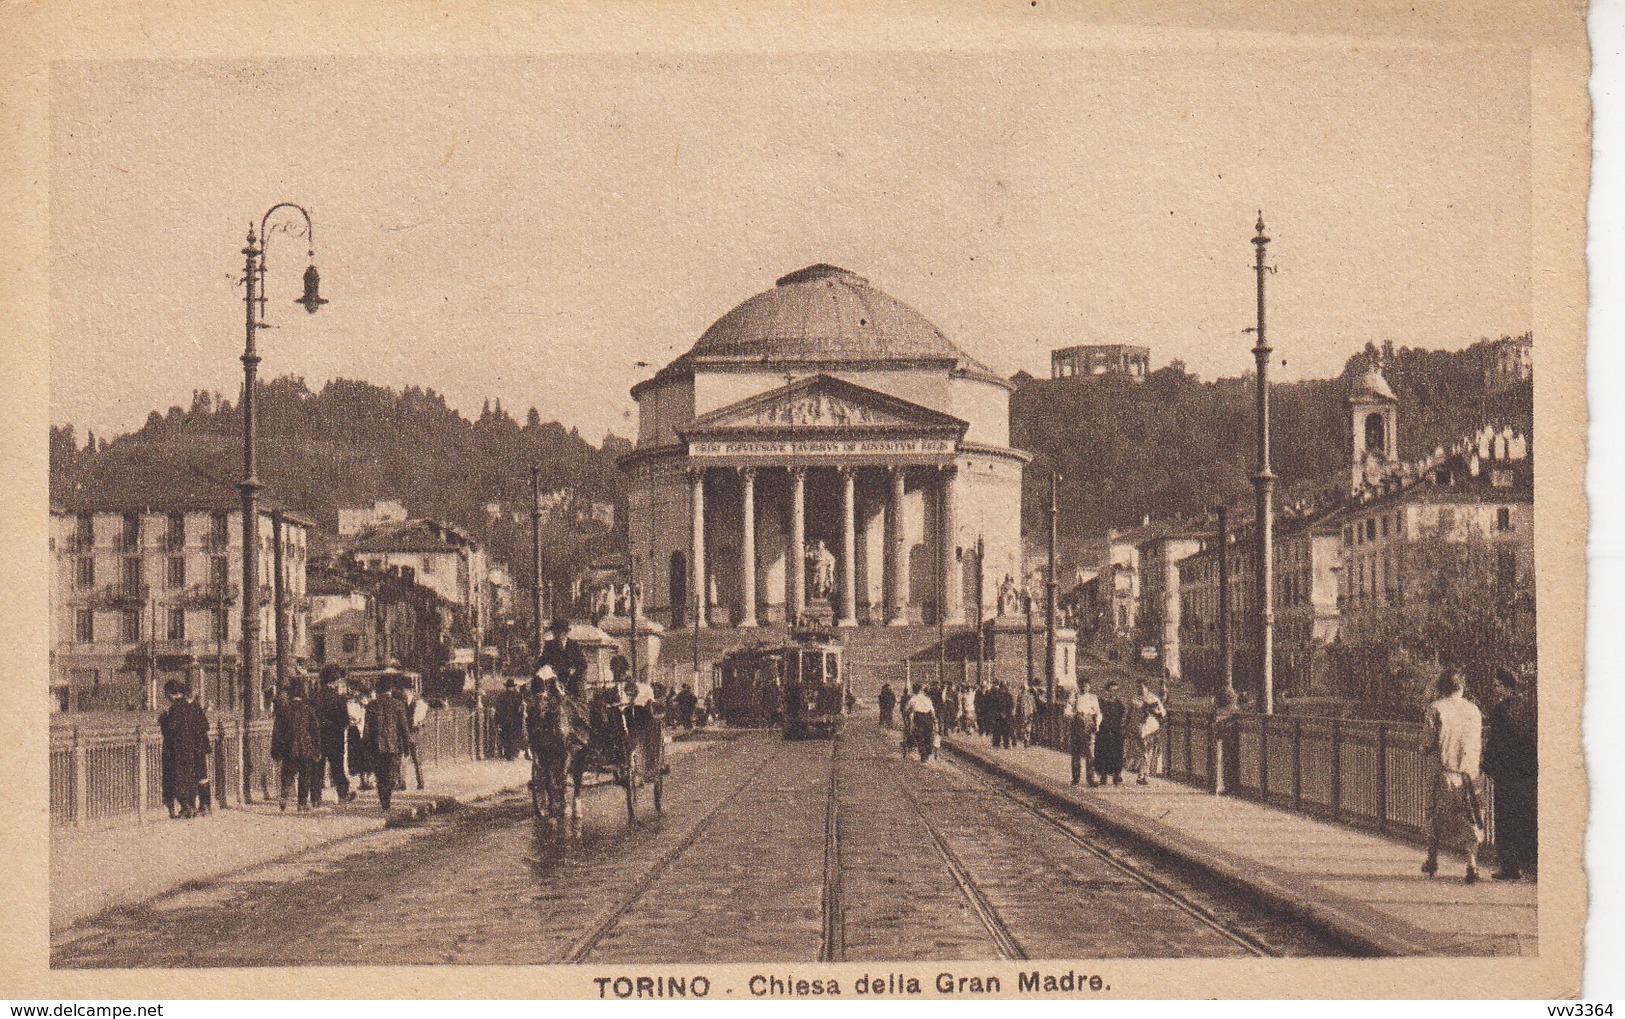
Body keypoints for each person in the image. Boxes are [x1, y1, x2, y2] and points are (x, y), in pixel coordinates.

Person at [1423, 670, 1486, 884]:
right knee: (1470, 816)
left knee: (1436, 815)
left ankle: (1432, 860)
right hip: (1470, 774)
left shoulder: (1436, 708)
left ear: (1442, 686)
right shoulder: (1474, 710)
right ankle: (1472, 864)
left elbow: (1428, 742)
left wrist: (1423, 748)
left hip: (1445, 772)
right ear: (1462, 686)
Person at [1482, 666, 1537, 880]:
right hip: (1528, 772)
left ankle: (1510, 867)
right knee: (1527, 816)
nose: (1495, 689)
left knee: (1505, 819)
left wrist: (1487, 768)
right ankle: (1530, 863)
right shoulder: (1530, 709)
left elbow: (1495, 744)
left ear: (1506, 687)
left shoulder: (1499, 711)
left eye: (1497, 685)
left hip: (1507, 774)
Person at [158, 679, 210, 819]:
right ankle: (201, 805)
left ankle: (188, 807)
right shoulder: (191, 707)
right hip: (195, 747)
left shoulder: (177, 708)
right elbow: (204, 725)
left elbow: (171, 728)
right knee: (196, 776)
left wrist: (163, 719)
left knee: (181, 777)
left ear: (172, 694)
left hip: (182, 749)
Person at [364, 674, 413, 812]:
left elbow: (367, 729)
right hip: (394, 746)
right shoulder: (398, 705)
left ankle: (384, 802)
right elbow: (404, 728)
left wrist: (365, 746)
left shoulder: (371, 705)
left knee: (381, 776)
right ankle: (387, 799)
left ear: (378, 690)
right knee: (391, 774)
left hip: (376, 746)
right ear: (390, 689)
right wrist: (407, 747)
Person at [271, 683, 324, 811]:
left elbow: (277, 732)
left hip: (289, 748)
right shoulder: (308, 710)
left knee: (287, 773)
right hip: (306, 748)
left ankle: (284, 795)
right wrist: (317, 748)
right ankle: (302, 803)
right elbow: (315, 731)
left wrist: (276, 751)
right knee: (305, 776)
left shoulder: (283, 711)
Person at [312, 666, 355, 803]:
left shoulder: (314, 698)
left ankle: (316, 798)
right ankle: (342, 795)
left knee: (318, 768)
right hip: (335, 737)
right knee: (337, 767)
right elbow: (344, 720)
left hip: (318, 737)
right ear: (335, 681)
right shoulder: (339, 699)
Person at [1065, 678, 1103, 786]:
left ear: (1089, 687)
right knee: (1076, 753)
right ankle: (1076, 778)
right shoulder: (1074, 696)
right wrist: (1074, 715)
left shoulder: (1093, 698)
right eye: (1082, 685)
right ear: (1079, 686)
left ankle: (1090, 778)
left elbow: (1098, 713)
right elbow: (1067, 711)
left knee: (1090, 753)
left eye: (1086, 686)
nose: (1084, 688)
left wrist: (1097, 725)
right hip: (1077, 725)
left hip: (1089, 724)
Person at [539, 618, 589, 697]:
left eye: (559, 632)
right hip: (555, 680)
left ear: (565, 632)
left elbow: (583, 664)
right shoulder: (549, 645)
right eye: (554, 632)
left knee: (578, 696)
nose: (556, 635)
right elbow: (542, 662)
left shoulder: (574, 645)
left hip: (572, 680)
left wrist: (574, 670)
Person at [1130, 680, 1168, 784]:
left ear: (1147, 688)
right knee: (1143, 752)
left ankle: (1142, 775)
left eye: (1142, 687)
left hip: (1151, 729)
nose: (1140, 690)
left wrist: (1156, 712)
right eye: (1138, 688)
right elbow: (1132, 713)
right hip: (1139, 729)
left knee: (1147, 752)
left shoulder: (1154, 698)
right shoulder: (1135, 699)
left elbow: (1163, 713)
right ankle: (1142, 774)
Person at [1095, 681, 1127, 785]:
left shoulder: (1119, 704)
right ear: (1107, 691)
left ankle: (1116, 775)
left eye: (1116, 691)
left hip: (1116, 732)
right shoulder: (1101, 702)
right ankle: (1103, 776)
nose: (1113, 693)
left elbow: (1124, 716)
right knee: (1103, 753)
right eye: (1111, 690)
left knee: (1117, 754)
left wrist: (1123, 728)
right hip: (1104, 731)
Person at [903, 684, 938, 763]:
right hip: (928, 718)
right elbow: (932, 711)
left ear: (914, 690)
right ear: (920, 690)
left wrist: (906, 715)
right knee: (928, 736)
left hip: (919, 718)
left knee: (919, 737)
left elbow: (906, 709)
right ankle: (928, 752)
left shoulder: (913, 699)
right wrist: (934, 720)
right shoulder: (927, 699)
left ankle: (924, 754)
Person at [495, 678, 526, 761]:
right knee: (506, 737)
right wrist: (498, 721)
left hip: (516, 720)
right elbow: (498, 709)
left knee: (515, 737)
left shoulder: (518, 695)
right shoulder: (502, 696)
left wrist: (521, 714)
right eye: (509, 687)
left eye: (511, 687)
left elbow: (521, 708)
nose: (510, 688)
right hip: (505, 720)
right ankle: (508, 754)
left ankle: (513, 753)